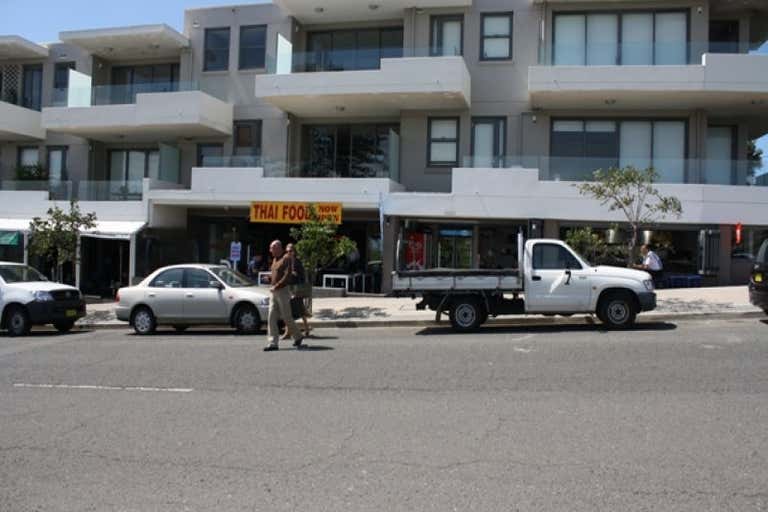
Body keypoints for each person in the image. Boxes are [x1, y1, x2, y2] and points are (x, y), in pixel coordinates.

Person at [264, 240, 304, 352]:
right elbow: (276, 274)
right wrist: (269, 279)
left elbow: (287, 276)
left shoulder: (286, 258)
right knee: (271, 317)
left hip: (282, 291)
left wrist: (276, 285)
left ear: (278, 248)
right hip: (274, 291)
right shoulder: (274, 260)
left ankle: (298, 336)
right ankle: (272, 343)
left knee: (287, 317)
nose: (270, 250)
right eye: (270, 248)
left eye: (272, 248)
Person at [282, 243, 311, 339]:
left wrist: (294, 274)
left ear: (294, 252)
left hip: (296, 290)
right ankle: (305, 329)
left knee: (294, 311)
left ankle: (288, 332)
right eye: (287, 251)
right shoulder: (286, 261)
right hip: (288, 289)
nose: (288, 253)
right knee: (295, 310)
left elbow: (302, 277)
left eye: (290, 251)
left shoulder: (297, 262)